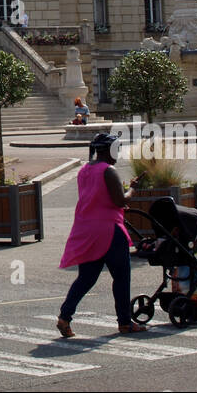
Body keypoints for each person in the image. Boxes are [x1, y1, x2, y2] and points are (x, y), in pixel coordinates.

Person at [57, 133, 148, 337]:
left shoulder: (84, 170)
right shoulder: (109, 170)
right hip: (109, 230)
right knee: (121, 277)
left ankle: (65, 316)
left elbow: (98, 195)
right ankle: (125, 322)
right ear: (109, 149)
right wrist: (132, 190)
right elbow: (119, 201)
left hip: (86, 229)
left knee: (86, 278)